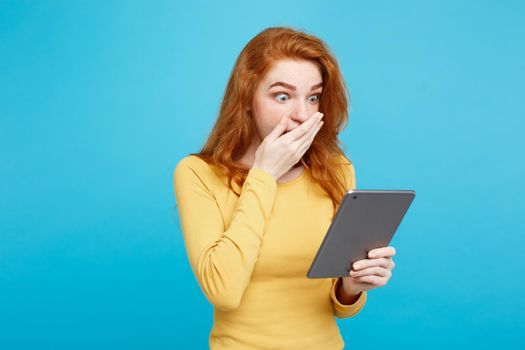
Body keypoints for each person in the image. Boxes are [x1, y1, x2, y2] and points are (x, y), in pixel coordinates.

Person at [173, 26, 396, 349]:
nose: (302, 115)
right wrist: (263, 176)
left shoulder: (336, 171)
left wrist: (353, 284)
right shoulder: (197, 174)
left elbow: (339, 307)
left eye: (313, 97)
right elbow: (223, 291)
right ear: (247, 99)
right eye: (282, 96)